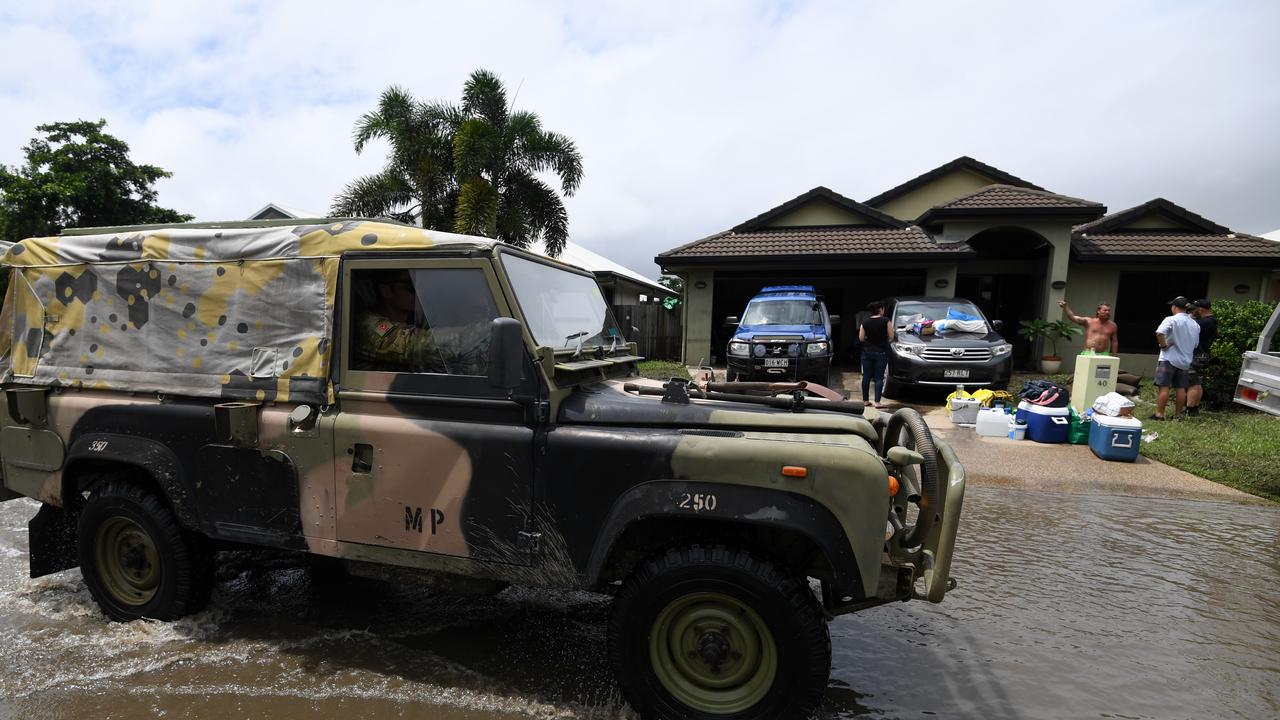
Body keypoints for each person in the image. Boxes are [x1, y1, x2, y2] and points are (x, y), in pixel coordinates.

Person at [353, 270, 448, 373]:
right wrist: (465, 338)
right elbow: (415, 345)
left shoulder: (416, 319)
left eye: (420, 287)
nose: (419, 293)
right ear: (386, 291)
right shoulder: (368, 324)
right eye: (411, 287)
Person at [1152, 296, 1200, 420]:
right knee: (1181, 388)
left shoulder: (1171, 319)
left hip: (1169, 358)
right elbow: (1195, 344)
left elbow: (1160, 333)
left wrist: (1163, 346)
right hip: (1185, 361)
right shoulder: (1195, 324)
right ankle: (1178, 415)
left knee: (1164, 387)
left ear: (1174, 307)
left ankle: (1159, 414)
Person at [858, 300, 894, 407]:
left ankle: (865, 401)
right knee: (879, 377)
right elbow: (891, 336)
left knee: (866, 376)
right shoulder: (886, 320)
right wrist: (883, 341)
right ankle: (877, 402)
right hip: (881, 352)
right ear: (881, 309)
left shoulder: (865, 322)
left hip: (867, 352)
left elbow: (861, 338)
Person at [1185, 299, 1217, 416]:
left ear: (1201, 310)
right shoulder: (1210, 321)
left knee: (1193, 382)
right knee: (1197, 382)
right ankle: (1194, 408)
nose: (1192, 312)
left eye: (1194, 309)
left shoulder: (1205, 322)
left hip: (1197, 354)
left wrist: (1187, 317)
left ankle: (1190, 409)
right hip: (1203, 354)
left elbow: (1187, 326)